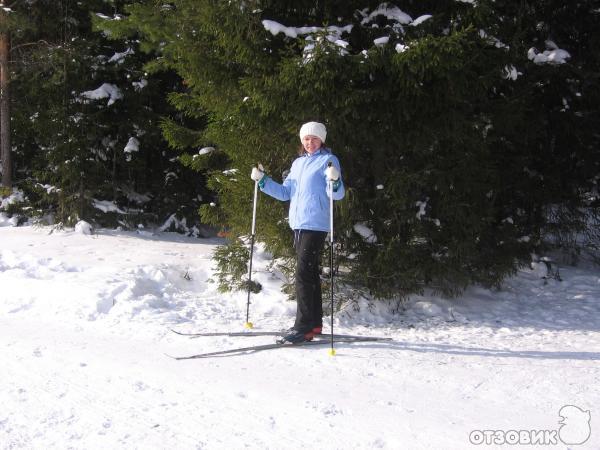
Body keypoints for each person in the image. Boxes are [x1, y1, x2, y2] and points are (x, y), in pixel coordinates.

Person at [250, 121, 345, 343]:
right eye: (305, 139)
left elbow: (337, 195)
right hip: (299, 224)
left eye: (313, 138)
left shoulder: (328, 161)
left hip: (316, 224)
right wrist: (263, 181)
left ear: (321, 140)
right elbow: (285, 193)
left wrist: (336, 179)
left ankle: (302, 327)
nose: (309, 143)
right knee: (309, 274)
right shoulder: (298, 164)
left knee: (303, 273)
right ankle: (315, 323)